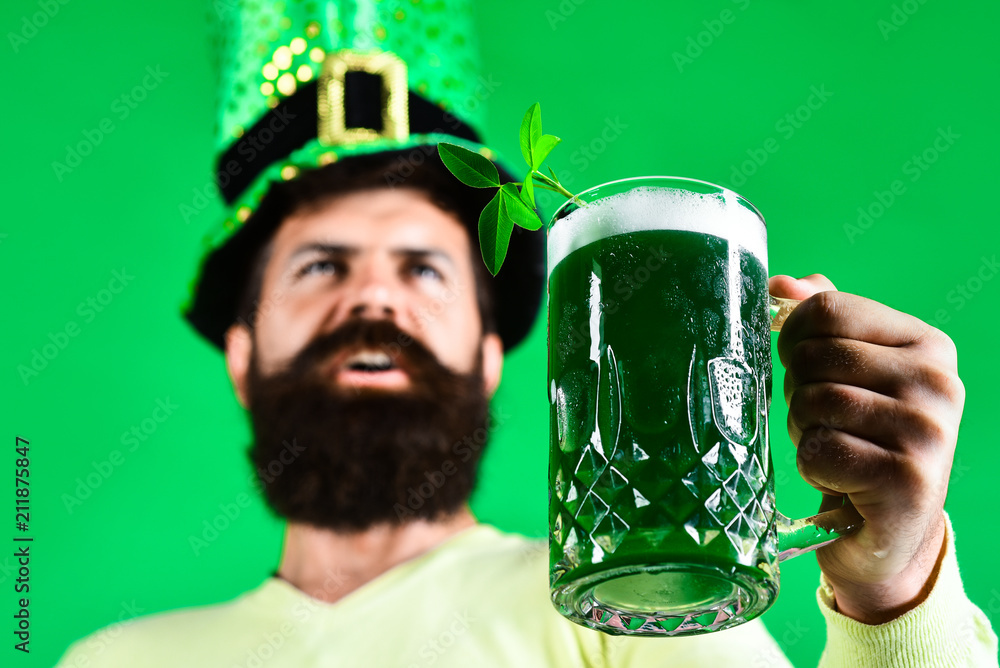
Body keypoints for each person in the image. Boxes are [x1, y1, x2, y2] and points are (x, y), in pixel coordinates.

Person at [56, 0, 998, 665]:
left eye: (423, 269)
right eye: (320, 266)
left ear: (492, 346)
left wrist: (896, 590)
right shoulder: (113, 661)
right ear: (241, 353)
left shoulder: (635, 608)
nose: (374, 300)